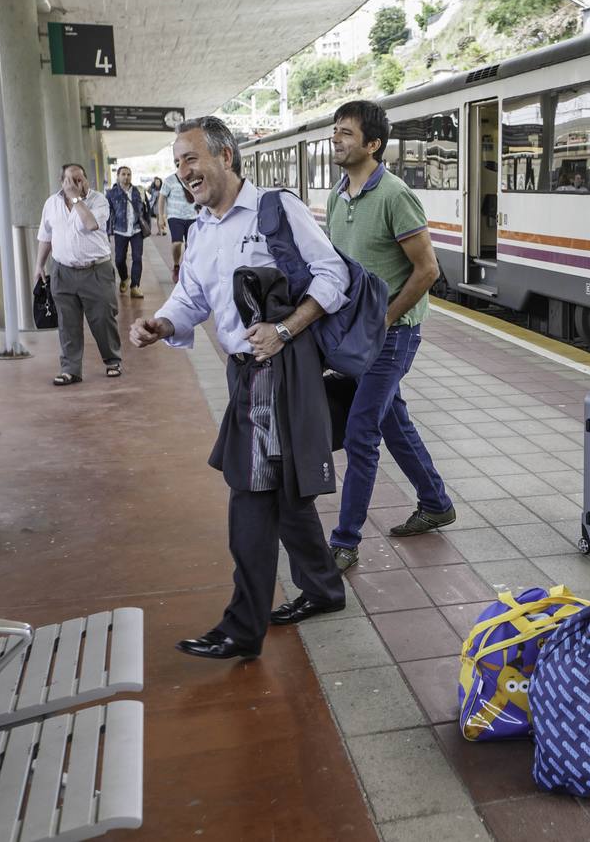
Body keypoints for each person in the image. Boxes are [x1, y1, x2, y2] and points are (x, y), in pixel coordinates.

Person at [129, 116, 348, 659]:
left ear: (225, 157)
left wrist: (285, 329)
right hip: (245, 373)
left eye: (191, 158)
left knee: (250, 494)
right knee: (284, 489)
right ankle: (322, 588)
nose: (184, 172)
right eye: (178, 163)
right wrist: (162, 323)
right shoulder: (201, 231)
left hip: (284, 366)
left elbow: (332, 274)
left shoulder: (276, 208)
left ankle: (241, 627)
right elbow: (191, 300)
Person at [323, 100, 455, 572]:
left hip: (394, 333)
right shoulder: (338, 195)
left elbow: (427, 270)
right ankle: (436, 502)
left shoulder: (395, 195)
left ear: (373, 144)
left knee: (361, 430)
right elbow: (336, 268)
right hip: (355, 335)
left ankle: (344, 541)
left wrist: (383, 319)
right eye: (334, 131)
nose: (336, 139)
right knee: (391, 420)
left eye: (346, 133)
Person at [34, 163, 122, 385]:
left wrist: (75, 199)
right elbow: (45, 236)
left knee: (103, 318)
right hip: (62, 271)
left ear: (87, 180)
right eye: (70, 180)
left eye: (79, 179)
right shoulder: (51, 203)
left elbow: (91, 224)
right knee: (67, 323)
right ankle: (70, 369)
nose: (75, 184)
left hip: (96, 271)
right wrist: (39, 265)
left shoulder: (99, 200)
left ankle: (112, 360)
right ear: (62, 182)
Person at [107, 165, 149, 298]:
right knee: (119, 259)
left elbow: (145, 210)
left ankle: (135, 286)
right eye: (123, 174)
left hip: (136, 230)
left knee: (137, 258)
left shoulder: (139, 191)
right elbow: (109, 213)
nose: (126, 177)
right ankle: (124, 278)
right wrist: (107, 231)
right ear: (118, 176)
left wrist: (147, 226)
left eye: (128, 174)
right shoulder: (111, 193)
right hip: (120, 230)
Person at [159, 169, 198, 284]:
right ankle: (176, 265)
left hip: (193, 216)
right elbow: (162, 198)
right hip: (175, 216)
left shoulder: (195, 178)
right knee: (177, 243)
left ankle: (188, 270)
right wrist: (161, 216)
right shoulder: (169, 180)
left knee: (191, 245)